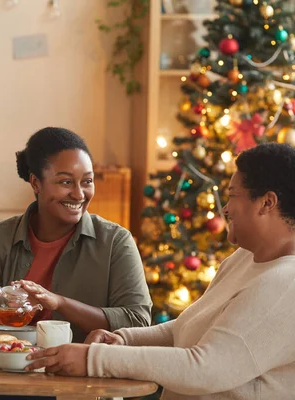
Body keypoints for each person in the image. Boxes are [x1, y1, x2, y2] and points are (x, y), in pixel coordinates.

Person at [26, 142, 295, 399]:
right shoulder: (244, 259)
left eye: (233, 196)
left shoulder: (286, 284)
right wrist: (122, 340)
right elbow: (186, 329)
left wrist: (92, 359)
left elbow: (207, 367)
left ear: (267, 203)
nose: (225, 208)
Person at [0, 127, 152, 343]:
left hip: (84, 368)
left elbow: (138, 321)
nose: (79, 194)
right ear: (36, 183)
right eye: (66, 182)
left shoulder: (115, 241)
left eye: (87, 181)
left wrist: (59, 303)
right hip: (9, 363)